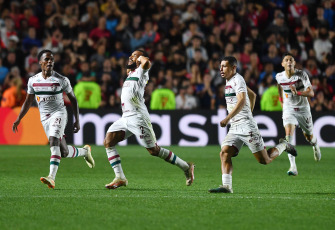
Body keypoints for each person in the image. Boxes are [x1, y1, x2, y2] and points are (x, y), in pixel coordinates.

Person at [103, 50, 194, 189]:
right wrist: (133, 60)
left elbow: (147, 63)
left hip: (138, 117)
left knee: (154, 150)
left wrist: (140, 58)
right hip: (126, 117)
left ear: (139, 59)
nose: (130, 57)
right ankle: (120, 177)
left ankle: (186, 167)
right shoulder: (131, 74)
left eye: (133, 55)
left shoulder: (141, 71)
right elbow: (130, 68)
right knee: (108, 141)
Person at [209, 56, 297, 194]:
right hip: (235, 126)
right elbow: (253, 95)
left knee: (264, 160)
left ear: (233, 68)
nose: (221, 69)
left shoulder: (237, 80)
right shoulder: (230, 81)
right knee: (224, 152)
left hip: (246, 126)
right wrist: (246, 113)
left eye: (224, 66)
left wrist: (228, 118)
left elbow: (242, 100)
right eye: (220, 66)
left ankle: (284, 145)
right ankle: (226, 186)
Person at [12, 49, 95, 189]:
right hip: (44, 118)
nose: (50, 61)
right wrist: (19, 118)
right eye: (47, 59)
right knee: (64, 152)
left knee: (53, 141)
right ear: (40, 63)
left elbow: (73, 100)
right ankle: (85, 152)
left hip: (59, 113)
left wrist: (77, 119)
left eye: (52, 60)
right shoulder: (33, 80)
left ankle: (51, 177)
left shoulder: (61, 80)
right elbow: (28, 101)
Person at [276, 53, 321, 176]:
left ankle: (315, 145)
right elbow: (279, 88)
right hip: (288, 108)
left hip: (303, 108)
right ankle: (293, 167)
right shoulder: (279, 76)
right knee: (288, 134)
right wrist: (281, 102)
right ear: (283, 64)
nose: (289, 62)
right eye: (286, 60)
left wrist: (298, 93)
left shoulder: (302, 75)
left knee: (309, 137)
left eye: (291, 60)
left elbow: (311, 93)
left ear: (294, 63)